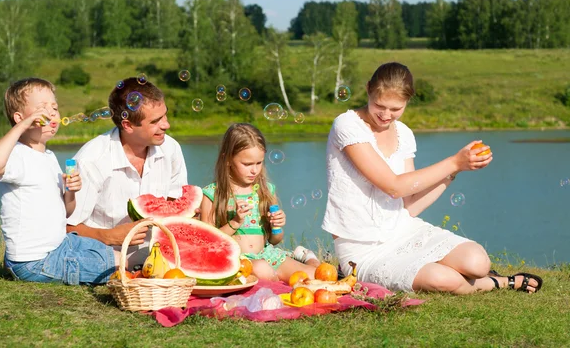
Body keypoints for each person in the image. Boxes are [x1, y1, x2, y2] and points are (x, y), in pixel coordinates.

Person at [322, 62, 543, 294]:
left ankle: (470, 275)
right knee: (443, 280)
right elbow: (394, 187)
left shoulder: (404, 134)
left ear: (408, 101)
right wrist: (453, 161)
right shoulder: (347, 125)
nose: (386, 115)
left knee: (478, 263)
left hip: (404, 231)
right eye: (380, 105)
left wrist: (454, 171)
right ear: (368, 89)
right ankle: (499, 282)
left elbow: (409, 204)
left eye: (396, 108)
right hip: (361, 249)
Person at [0, 78, 116, 284]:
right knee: (113, 264)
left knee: (107, 251)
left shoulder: (49, 157)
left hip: (58, 246)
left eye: (54, 107)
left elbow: (67, 211)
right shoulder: (18, 154)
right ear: (19, 118)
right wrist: (25, 124)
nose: (52, 112)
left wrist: (70, 192)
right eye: (41, 108)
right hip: (33, 261)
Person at [66, 77, 188, 269]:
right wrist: (108, 236)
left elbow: (176, 206)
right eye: (155, 121)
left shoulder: (171, 148)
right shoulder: (91, 161)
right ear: (128, 126)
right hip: (105, 260)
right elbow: (67, 228)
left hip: (161, 259)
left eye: (165, 115)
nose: (166, 125)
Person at [200, 123, 321, 282]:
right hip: (235, 259)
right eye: (247, 164)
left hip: (266, 254)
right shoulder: (213, 193)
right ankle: (290, 265)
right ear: (227, 159)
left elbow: (274, 240)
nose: (254, 170)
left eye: (259, 163)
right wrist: (235, 222)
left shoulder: (265, 191)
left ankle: (307, 258)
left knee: (313, 277)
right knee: (263, 271)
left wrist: (277, 226)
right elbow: (207, 242)